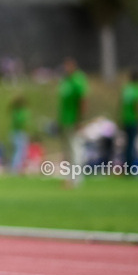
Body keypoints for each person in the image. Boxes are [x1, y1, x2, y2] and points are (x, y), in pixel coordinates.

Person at [57, 57, 87, 186]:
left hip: (74, 120)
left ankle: (76, 179)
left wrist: (80, 119)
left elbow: (83, 100)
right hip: (65, 120)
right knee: (68, 151)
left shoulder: (78, 80)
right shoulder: (65, 80)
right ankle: (69, 177)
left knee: (75, 150)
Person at [120, 70, 138, 168]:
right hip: (133, 119)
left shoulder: (126, 89)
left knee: (127, 144)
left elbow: (122, 104)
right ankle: (131, 167)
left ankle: (126, 165)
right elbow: (137, 104)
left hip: (125, 118)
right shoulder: (137, 88)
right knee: (132, 144)